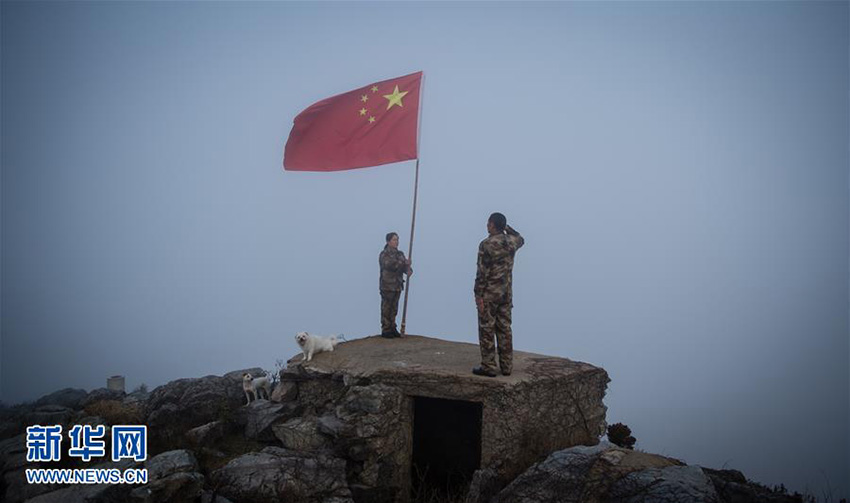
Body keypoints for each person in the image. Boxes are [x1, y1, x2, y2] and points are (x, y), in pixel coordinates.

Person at [473, 212, 524, 377]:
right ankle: (506, 366)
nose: (487, 225)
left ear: (493, 225)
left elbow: (482, 273)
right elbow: (520, 237)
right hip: (506, 294)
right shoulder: (512, 242)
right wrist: (506, 228)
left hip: (489, 294)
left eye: (489, 223)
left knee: (487, 329)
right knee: (505, 329)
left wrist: (478, 295)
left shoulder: (486, 244)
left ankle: (488, 366)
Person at [379, 232, 412, 338]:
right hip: (387, 285)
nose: (396, 242)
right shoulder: (384, 254)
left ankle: (393, 328)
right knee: (386, 308)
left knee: (394, 308)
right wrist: (404, 263)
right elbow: (390, 265)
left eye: (397, 239)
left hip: (397, 285)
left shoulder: (400, 254)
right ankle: (386, 329)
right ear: (388, 241)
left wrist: (408, 269)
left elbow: (403, 268)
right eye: (394, 240)